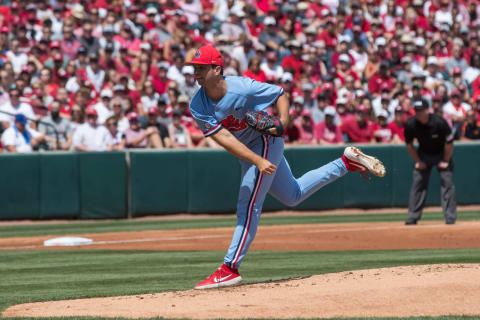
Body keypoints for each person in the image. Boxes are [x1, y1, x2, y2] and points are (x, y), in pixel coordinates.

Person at [186, 46, 385, 290]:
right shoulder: (198, 104)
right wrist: (255, 160)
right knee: (293, 195)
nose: (196, 72)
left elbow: (280, 94)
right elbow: (224, 139)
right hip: (250, 151)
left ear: (217, 69)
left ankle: (230, 268)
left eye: (201, 67)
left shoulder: (242, 87)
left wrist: (283, 123)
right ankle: (345, 162)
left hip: (265, 142)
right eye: (194, 68)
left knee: (248, 205)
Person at [404, 99, 457, 225]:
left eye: (421, 111)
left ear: (428, 110)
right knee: (418, 183)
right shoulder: (411, 124)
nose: (418, 114)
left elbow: (449, 143)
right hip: (424, 154)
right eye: (416, 111)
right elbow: (409, 144)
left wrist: (445, 160)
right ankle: (412, 216)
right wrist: (417, 161)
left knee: (447, 183)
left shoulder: (439, 122)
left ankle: (450, 217)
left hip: (441, 153)